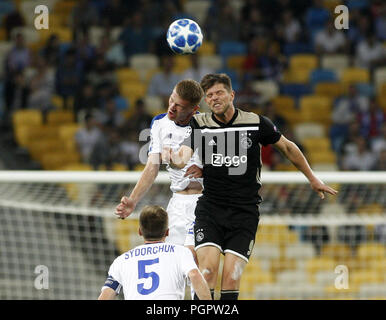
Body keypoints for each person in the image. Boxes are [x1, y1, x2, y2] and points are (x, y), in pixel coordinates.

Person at [166, 73, 338, 300]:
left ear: (231, 95)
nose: (214, 98)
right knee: (206, 272)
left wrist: (313, 179)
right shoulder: (200, 124)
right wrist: (172, 158)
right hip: (211, 209)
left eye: (219, 93)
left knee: (231, 277)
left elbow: (287, 148)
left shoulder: (256, 123)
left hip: (244, 213)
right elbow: (182, 157)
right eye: (209, 96)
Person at [115, 79, 204, 261]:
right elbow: (152, 167)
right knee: (172, 264)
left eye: (179, 106)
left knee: (193, 262)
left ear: (194, 110)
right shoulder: (159, 123)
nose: (171, 107)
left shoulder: (206, 124)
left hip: (205, 202)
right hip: (177, 204)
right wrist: (133, 200)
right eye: (172, 100)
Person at [98, 205, 211, 300]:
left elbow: (107, 294)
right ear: (167, 232)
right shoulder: (181, 252)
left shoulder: (121, 260)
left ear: (140, 231)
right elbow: (194, 275)